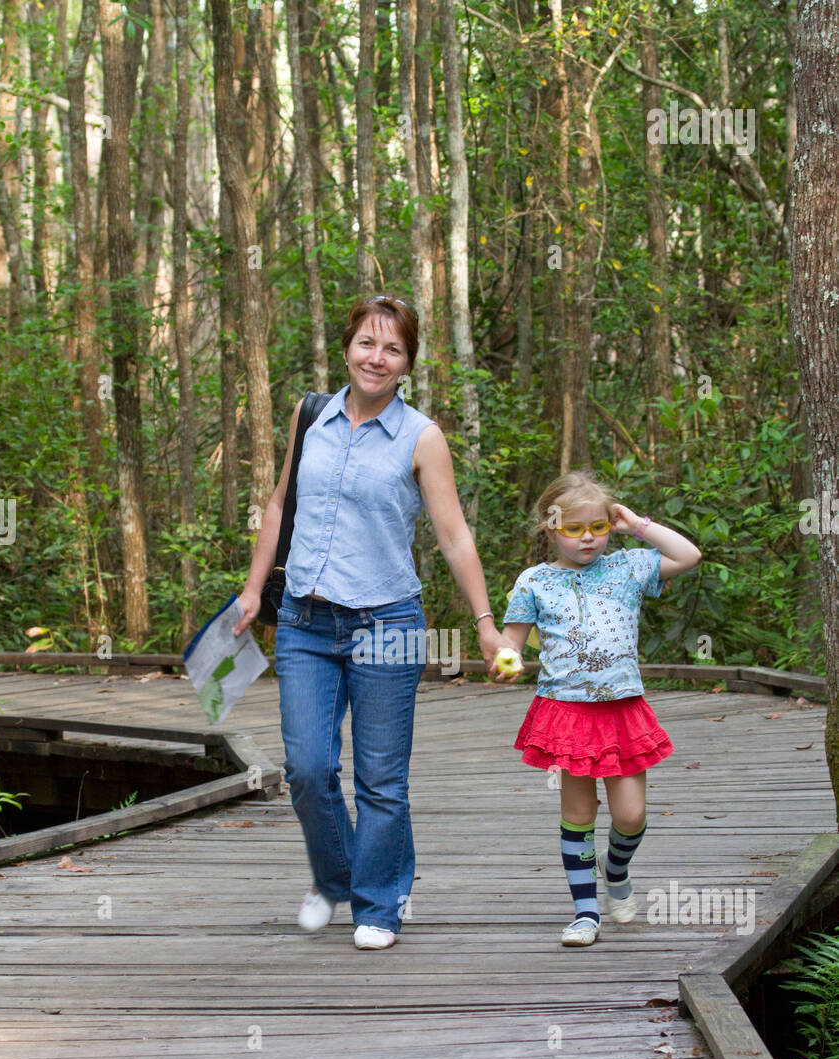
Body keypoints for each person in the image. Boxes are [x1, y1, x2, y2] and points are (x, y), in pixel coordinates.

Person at [234, 295, 507, 948]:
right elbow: (277, 507)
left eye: (392, 349)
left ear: (407, 363)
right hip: (303, 621)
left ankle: (378, 905)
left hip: (386, 623)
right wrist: (250, 591)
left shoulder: (422, 437)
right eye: (366, 343)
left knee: (381, 780)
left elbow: (454, 535)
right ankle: (336, 880)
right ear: (346, 346)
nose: (376, 357)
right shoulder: (311, 415)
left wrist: (487, 623)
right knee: (306, 768)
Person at [493, 468, 701, 947]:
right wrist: (508, 659)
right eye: (574, 528)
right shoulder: (534, 581)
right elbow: (513, 641)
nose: (588, 538)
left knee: (629, 815)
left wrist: (638, 526)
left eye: (598, 527)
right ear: (551, 528)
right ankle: (585, 912)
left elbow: (688, 555)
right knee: (580, 811)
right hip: (567, 711)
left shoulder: (628, 567)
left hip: (622, 709)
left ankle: (617, 867)